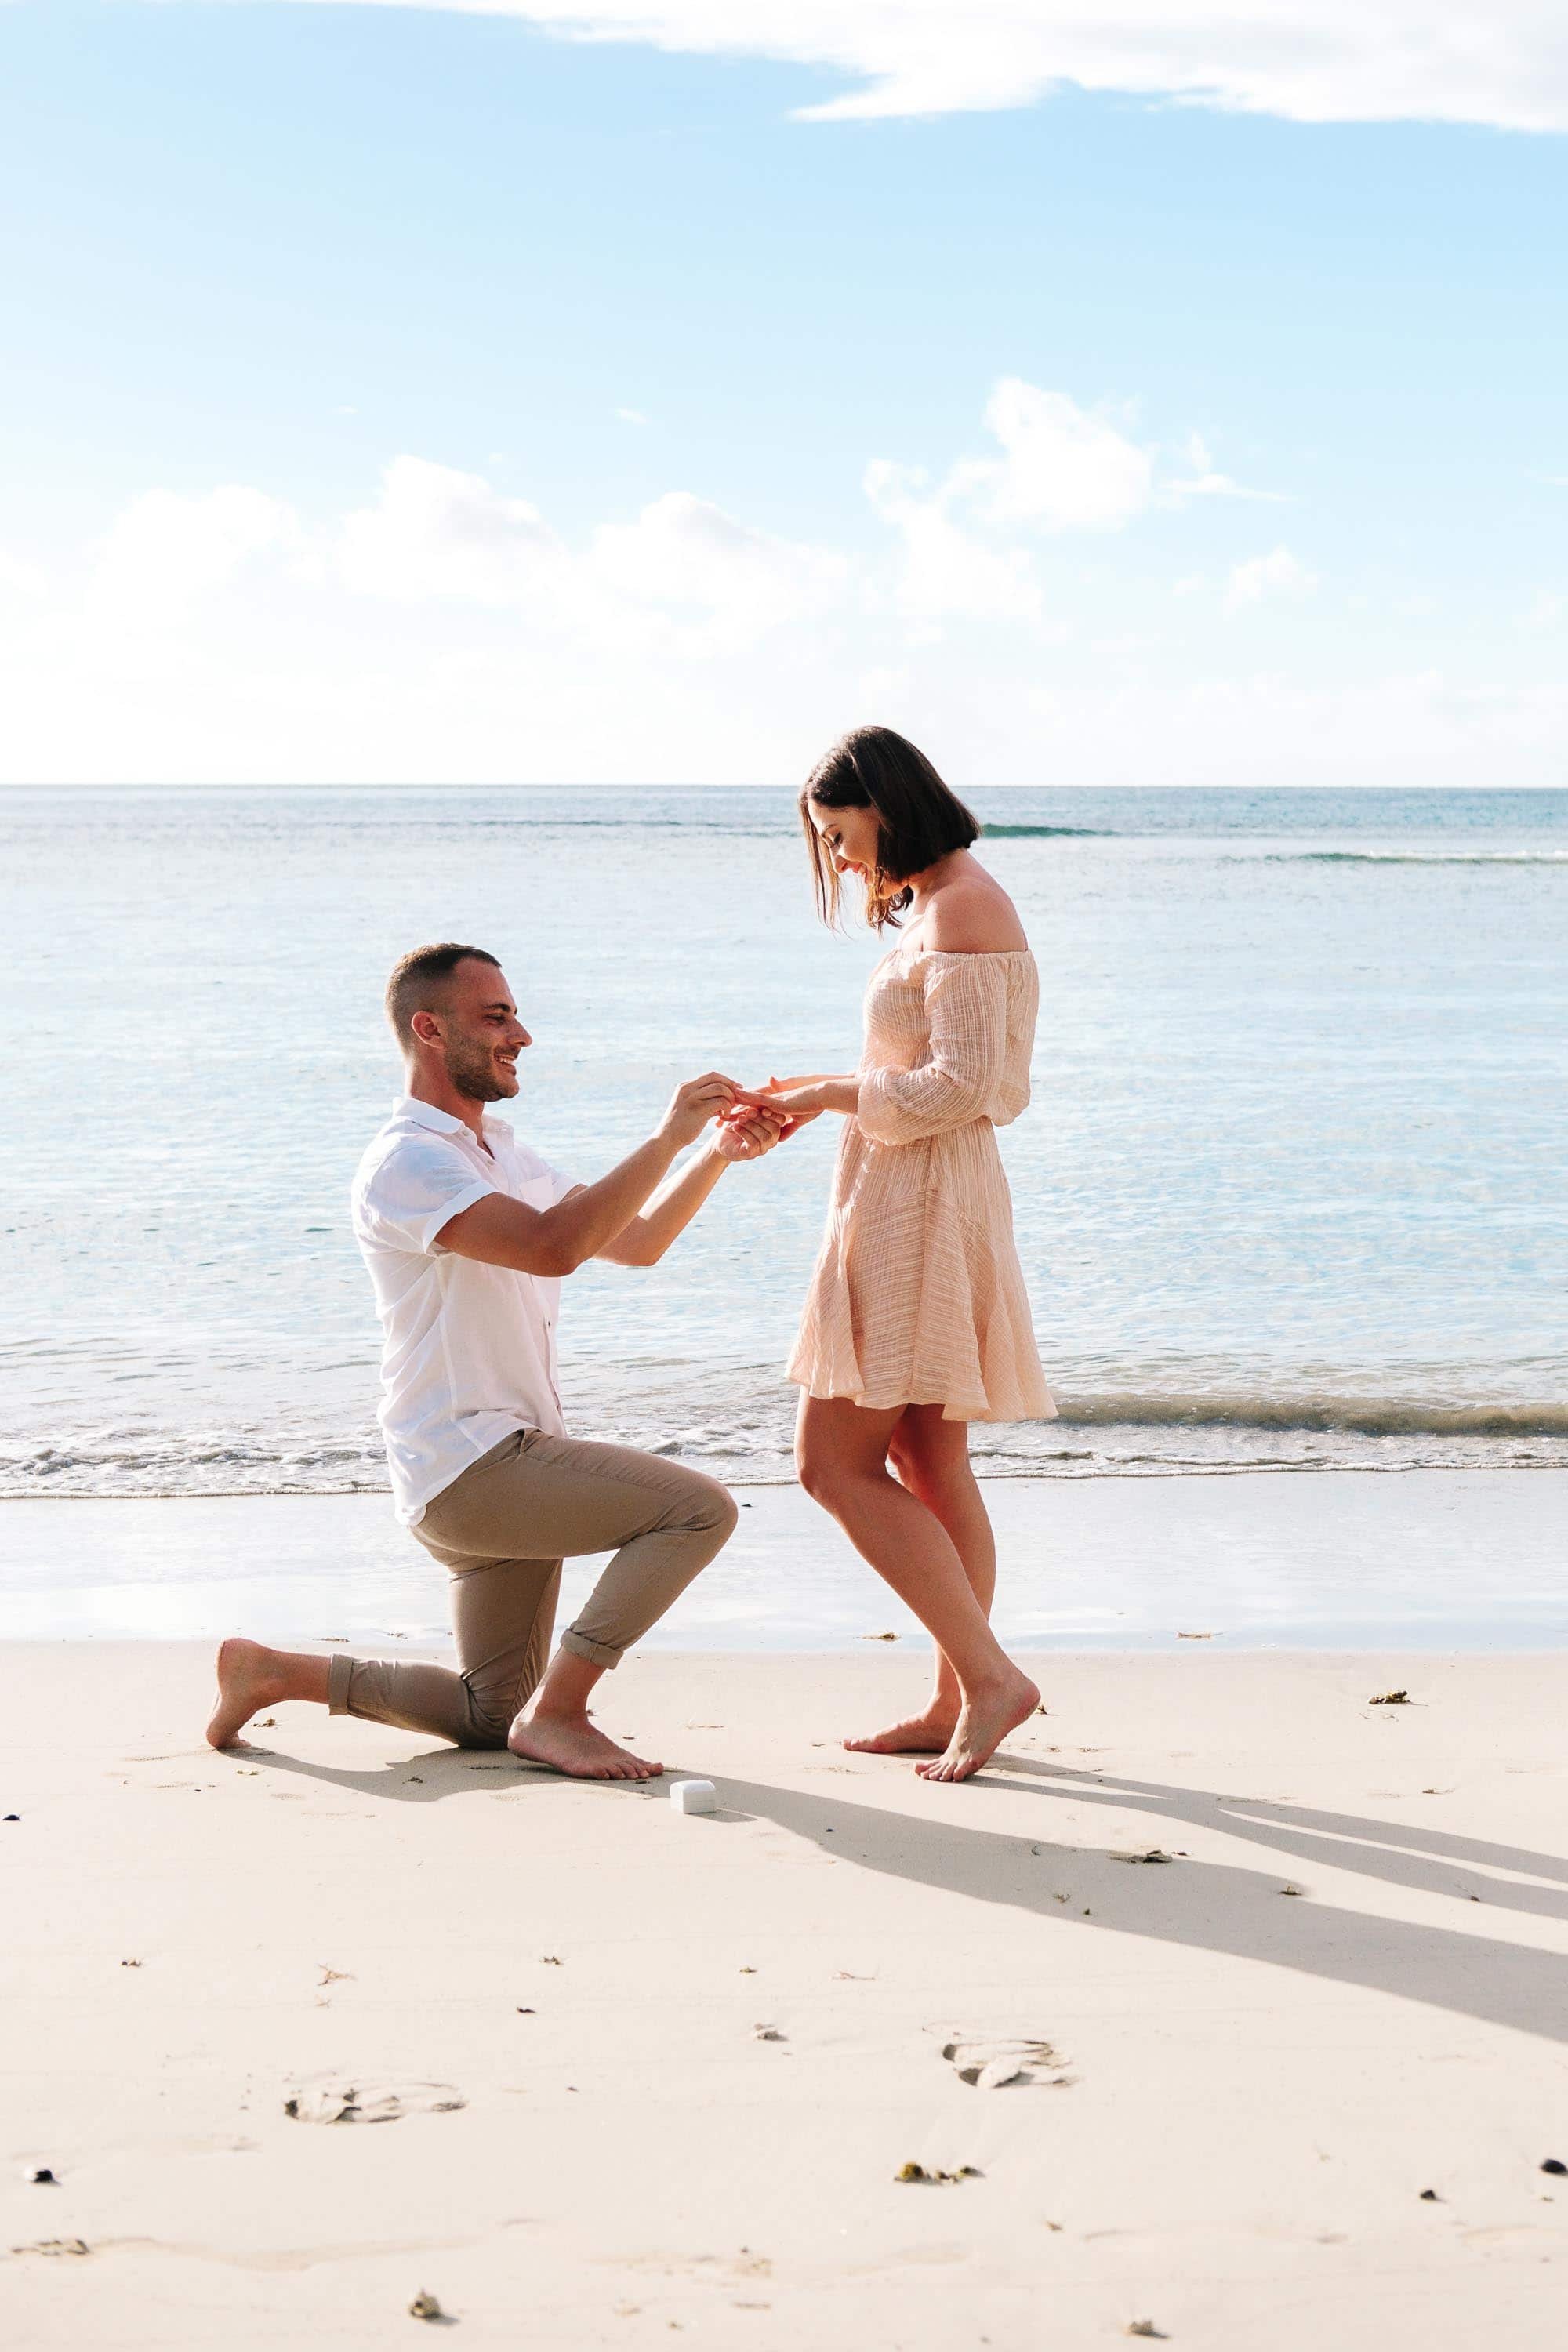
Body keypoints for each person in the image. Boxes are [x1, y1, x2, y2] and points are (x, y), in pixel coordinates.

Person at [206, 941, 786, 1780]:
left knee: (486, 1715)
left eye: (514, 1013)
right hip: (473, 1461)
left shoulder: (504, 1154)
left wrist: (711, 1156)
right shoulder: (409, 1160)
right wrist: (667, 1134)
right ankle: (564, 1711)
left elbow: (637, 1242)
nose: (521, 1034)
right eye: (497, 1017)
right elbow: (552, 1250)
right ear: (430, 1029)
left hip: (499, 1464)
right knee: (696, 1511)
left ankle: (273, 1672)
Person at [753, 727, 1056, 1784]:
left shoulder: (965, 903)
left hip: (920, 1208)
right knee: (929, 1463)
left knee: (830, 1464)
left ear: (885, 804)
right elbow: (924, 1068)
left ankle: (988, 1680)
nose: (839, 861)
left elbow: (968, 1090)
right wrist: (809, 1096)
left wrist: (834, 1095)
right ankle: (955, 1696)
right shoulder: (938, 902)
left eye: (838, 835)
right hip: (917, 1192)